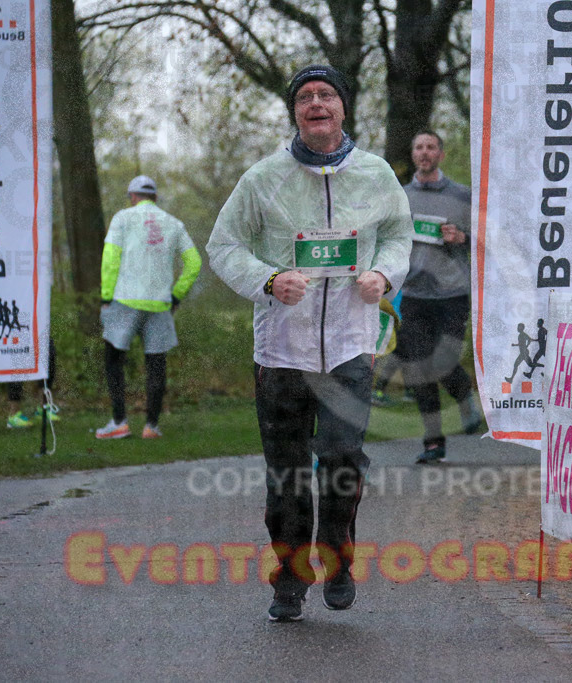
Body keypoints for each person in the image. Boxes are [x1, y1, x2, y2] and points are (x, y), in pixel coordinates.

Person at [206, 64, 412, 622]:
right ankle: (291, 578)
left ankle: (338, 560)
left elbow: (398, 234)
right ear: (295, 111)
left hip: (349, 345)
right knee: (288, 474)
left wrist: (385, 274)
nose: (316, 103)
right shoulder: (263, 178)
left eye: (326, 95)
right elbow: (223, 246)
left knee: (343, 461)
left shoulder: (374, 175)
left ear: (344, 108)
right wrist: (268, 280)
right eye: (305, 97)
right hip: (281, 352)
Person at [396, 130, 482, 464]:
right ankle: (433, 442)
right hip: (415, 292)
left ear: (440, 155)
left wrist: (462, 236)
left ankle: (464, 396)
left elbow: (486, 241)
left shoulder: (463, 196)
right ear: (414, 154)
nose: (425, 152)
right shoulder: (400, 196)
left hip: (452, 292)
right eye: (419, 147)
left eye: (431, 147)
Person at [95, 175, 201, 439]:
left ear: (132, 197)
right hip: (159, 303)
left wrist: (106, 295)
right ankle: (151, 426)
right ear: (155, 198)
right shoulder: (174, 224)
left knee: (113, 360)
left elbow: (110, 259)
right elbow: (194, 263)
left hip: (124, 299)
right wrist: (176, 296)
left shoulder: (122, 218)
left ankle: (119, 422)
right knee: (156, 364)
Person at [6, 337, 60, 428]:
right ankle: (13, 415)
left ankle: (43, 409)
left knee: (49, 353)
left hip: (37, 325)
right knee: (17, 361)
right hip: (16, 329)